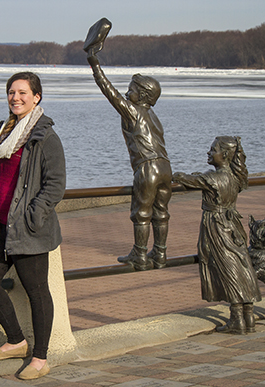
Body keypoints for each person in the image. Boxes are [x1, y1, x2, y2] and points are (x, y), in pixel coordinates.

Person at [0, 71, 66, 380]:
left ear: (36, 97)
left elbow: (55, 185)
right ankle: (16, 340)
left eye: (22, 92)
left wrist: (33, 216)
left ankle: (40, 358)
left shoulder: (45, 137)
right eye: (11, 92)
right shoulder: (4, 133)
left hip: (29, 230)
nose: (15, 97)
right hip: (0, 225)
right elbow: (0, 175)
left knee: (37, 292)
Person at [84, 26, 172, 271]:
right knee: (161, 212)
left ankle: (141, 254)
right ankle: (161, 254)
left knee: (141, 213)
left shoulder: (133, 112)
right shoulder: (153, 116)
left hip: (147, 168)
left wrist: (94, 61)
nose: (126, 92)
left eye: (131, 89)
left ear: (142, 95)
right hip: (166, 167)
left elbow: (107, 90)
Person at [172, 136, 262, 334]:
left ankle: (237, 319)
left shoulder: (213, 178)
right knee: (240, 263)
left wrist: (177, 175)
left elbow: (192, 180)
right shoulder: (235, 177)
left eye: (213, 150)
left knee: (227, 267)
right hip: (233, 224)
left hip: (216, 225)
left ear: (226, 155)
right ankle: (249, 315)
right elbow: (202, 180)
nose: (209, 153)